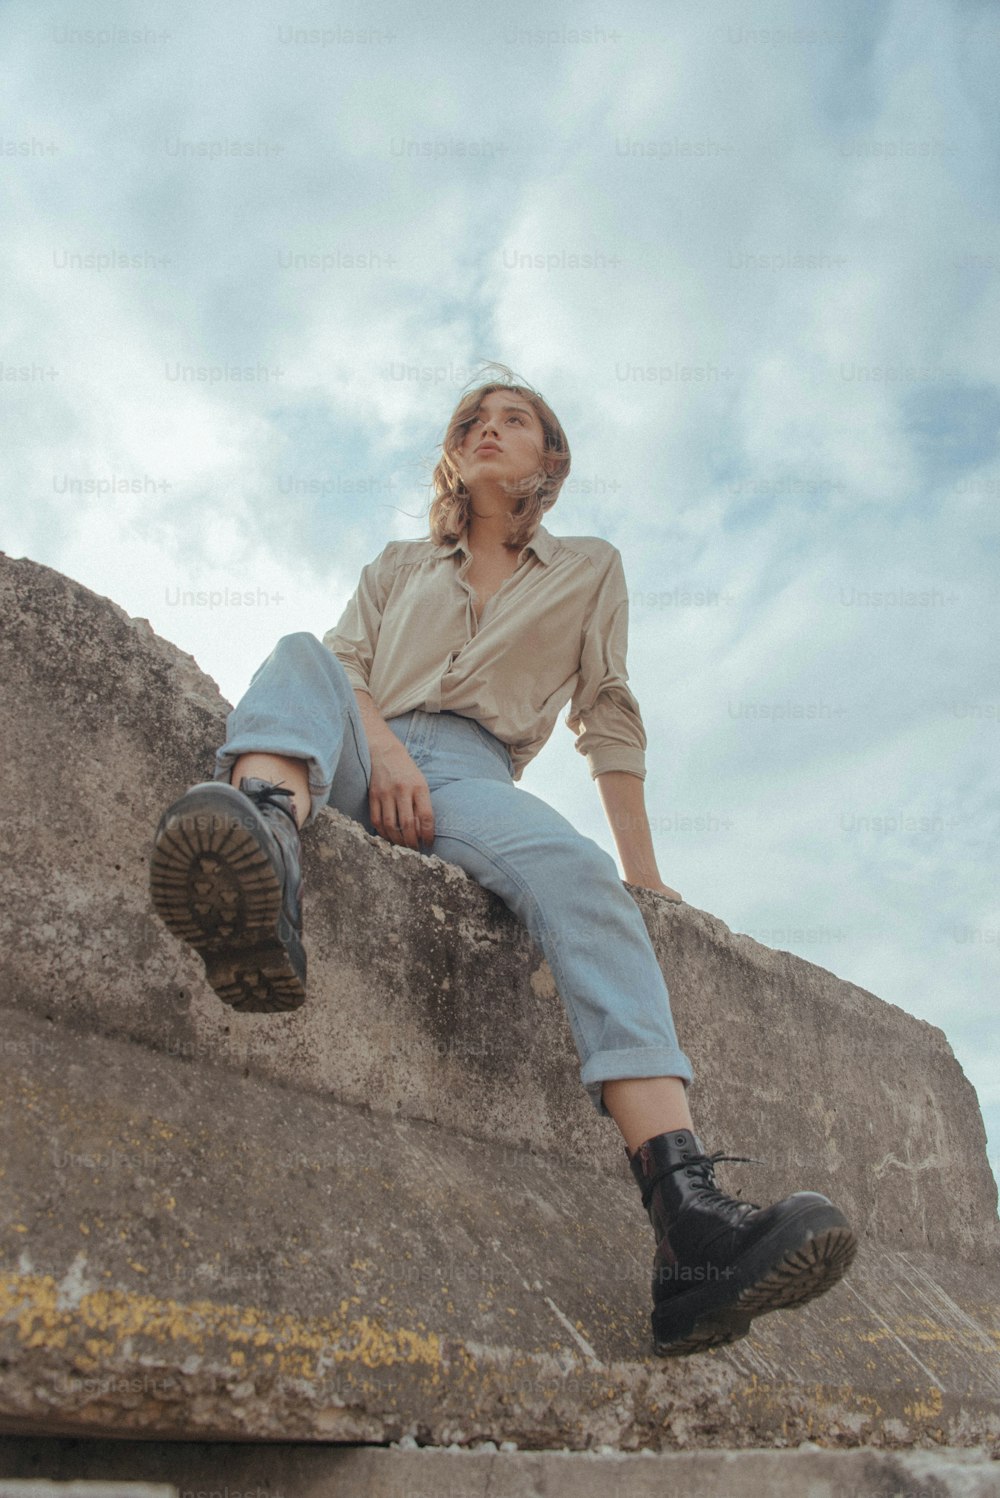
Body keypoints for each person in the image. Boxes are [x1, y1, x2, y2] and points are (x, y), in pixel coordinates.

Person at [149, 365, 856, 1358]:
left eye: (512, 419)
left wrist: (644, 870)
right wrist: (385, 749)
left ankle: (689, 1223)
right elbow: (344, 676)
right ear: (454, 451)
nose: (487, 428)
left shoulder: (588, 570)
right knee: (300, 650)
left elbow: (605, 711)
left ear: (548, 458)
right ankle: (259, 855)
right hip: (359, 745)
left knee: (579, 874)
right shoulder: (398, 568)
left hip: (476, 778)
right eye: (472, 419)